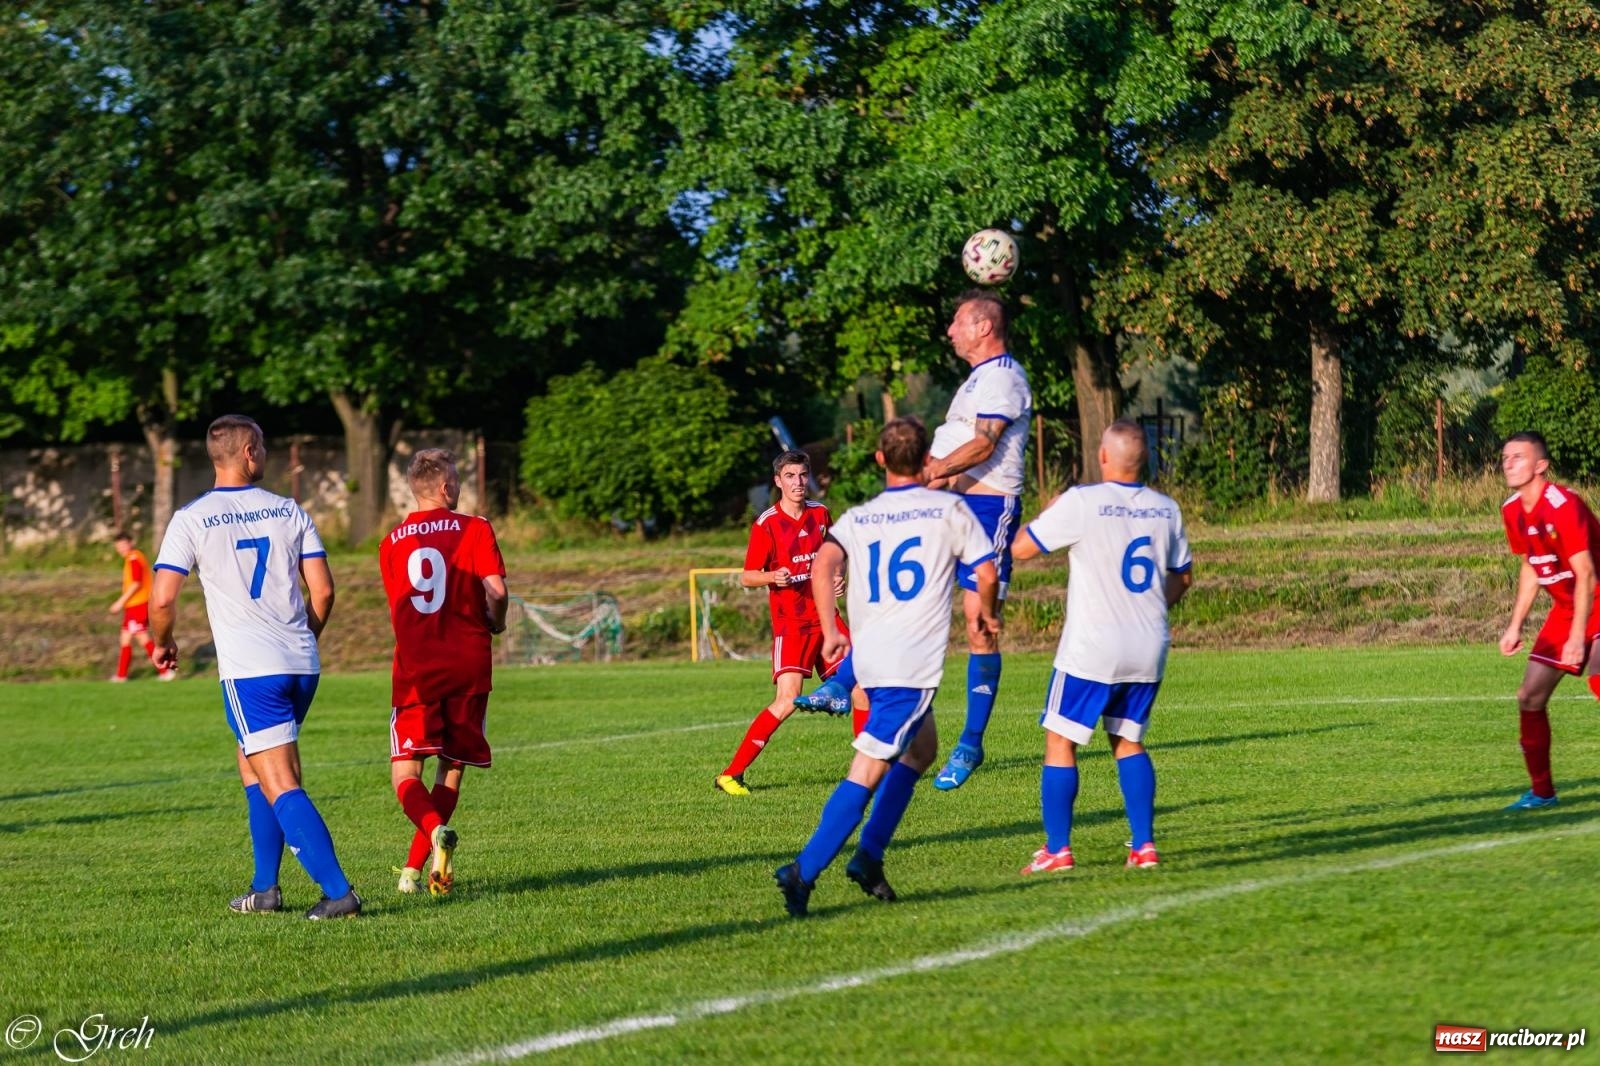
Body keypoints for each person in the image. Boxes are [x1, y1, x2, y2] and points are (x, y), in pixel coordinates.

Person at [797, 290, 1029, 792]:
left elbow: (985, 443)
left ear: (984, 327)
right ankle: (842, 681)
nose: (950, 330)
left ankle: (970, 744)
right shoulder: (976, 380)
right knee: (903, 597)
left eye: (958, 321)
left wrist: (928, 472)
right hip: (944, 502)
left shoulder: (1003, 376)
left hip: (987, 509)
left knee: (978, 626)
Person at [774, 417, 999, 917]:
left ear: (879, 460)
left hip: (870, 657)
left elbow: (822, 564)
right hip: (907, 666)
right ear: (927, 461)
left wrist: (831, 630)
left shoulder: (860, 516)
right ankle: (803, 871)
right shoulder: (949, 509)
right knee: (867, 769)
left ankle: (869, 856)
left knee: (922, 750)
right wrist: (987, 611)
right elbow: (986, 572)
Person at [149, 414, 360, 920]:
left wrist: (164, 642)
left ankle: (339, 893)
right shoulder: (289, 509)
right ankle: (265, 888)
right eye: (262, 446)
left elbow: (162, 599)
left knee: (280, 778)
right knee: (253, 764)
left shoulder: (191, 518)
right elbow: (324, 591)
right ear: (248, 453)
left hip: (251, 671)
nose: (265, 454)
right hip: (301, 663)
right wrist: (302, 639)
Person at [1010, 420, 1191, 873]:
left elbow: (1021, 548)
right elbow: (1184, 577)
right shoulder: (1166, 508)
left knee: (1060, 740)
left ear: (1103, 456)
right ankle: (1144, 846)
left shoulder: (1083, 501)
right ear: (1143, 459)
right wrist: (1149, 607)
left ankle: (1058, 849)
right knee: (1128, 740)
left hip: (1093, 647)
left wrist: (1049, 509)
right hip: (1148, 644)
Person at [379, 448, 508, 894]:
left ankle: (434, 831)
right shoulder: (476, 528)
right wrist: (496, 622)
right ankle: (413, 872)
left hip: (418, 669)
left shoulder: (390, 543)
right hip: (469, 666)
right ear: (446, 486)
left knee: (405, 775)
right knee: (450, 770)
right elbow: (497, 591)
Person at [715, 450, 866, 797]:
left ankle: (867, 772)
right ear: (778, 481)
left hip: (827, 621)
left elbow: (837, 555)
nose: (797, 482)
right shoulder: (766, 524)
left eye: (802, 475)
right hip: (792, 625)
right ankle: (731, 774)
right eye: (790, 476)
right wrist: (772, 576)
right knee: (787, 700)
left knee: (862, 688)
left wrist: (838, 575)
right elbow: (747, 576)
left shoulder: (820, 514)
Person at [1496, 430, 1600, 810]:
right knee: (1530, 697)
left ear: (1541, 465)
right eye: (1505, 457)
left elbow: (1586, 573)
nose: (1509, 464)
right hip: (1567, 608)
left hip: (1597, 595)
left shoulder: (1563, 505)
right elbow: (1532, 565)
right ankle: (1542, 793)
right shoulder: (1512, 510)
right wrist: (1515, 625)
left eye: (1518, 457)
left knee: (1599, 678)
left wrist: (1577, 638)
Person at [108, 531, 176, 682]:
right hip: (133, 605)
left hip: (138, 604)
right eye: (118, 546)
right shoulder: (132, 558)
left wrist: (120, 602)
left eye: (123, 545)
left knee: (142, 637)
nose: (121, 548)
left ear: (131, 543)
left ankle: (165, 671)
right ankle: (122, 675)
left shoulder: (134, 558)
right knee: (125, 638)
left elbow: (136, 583)